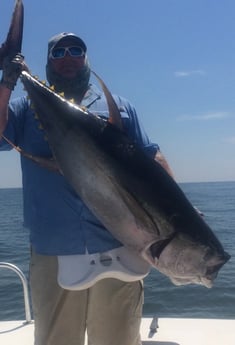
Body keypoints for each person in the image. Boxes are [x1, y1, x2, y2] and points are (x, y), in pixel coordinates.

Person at [0, 32, 174, 345]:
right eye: (58, 52)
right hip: (54, 249)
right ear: (49, 60)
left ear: (86, 57)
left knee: (117, 339)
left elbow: (152, 159)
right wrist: (7, 82)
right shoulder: (26, 108)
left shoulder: (118, 108)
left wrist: (179, 215)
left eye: (76, 49)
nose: (68, 56)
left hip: (118, 245)